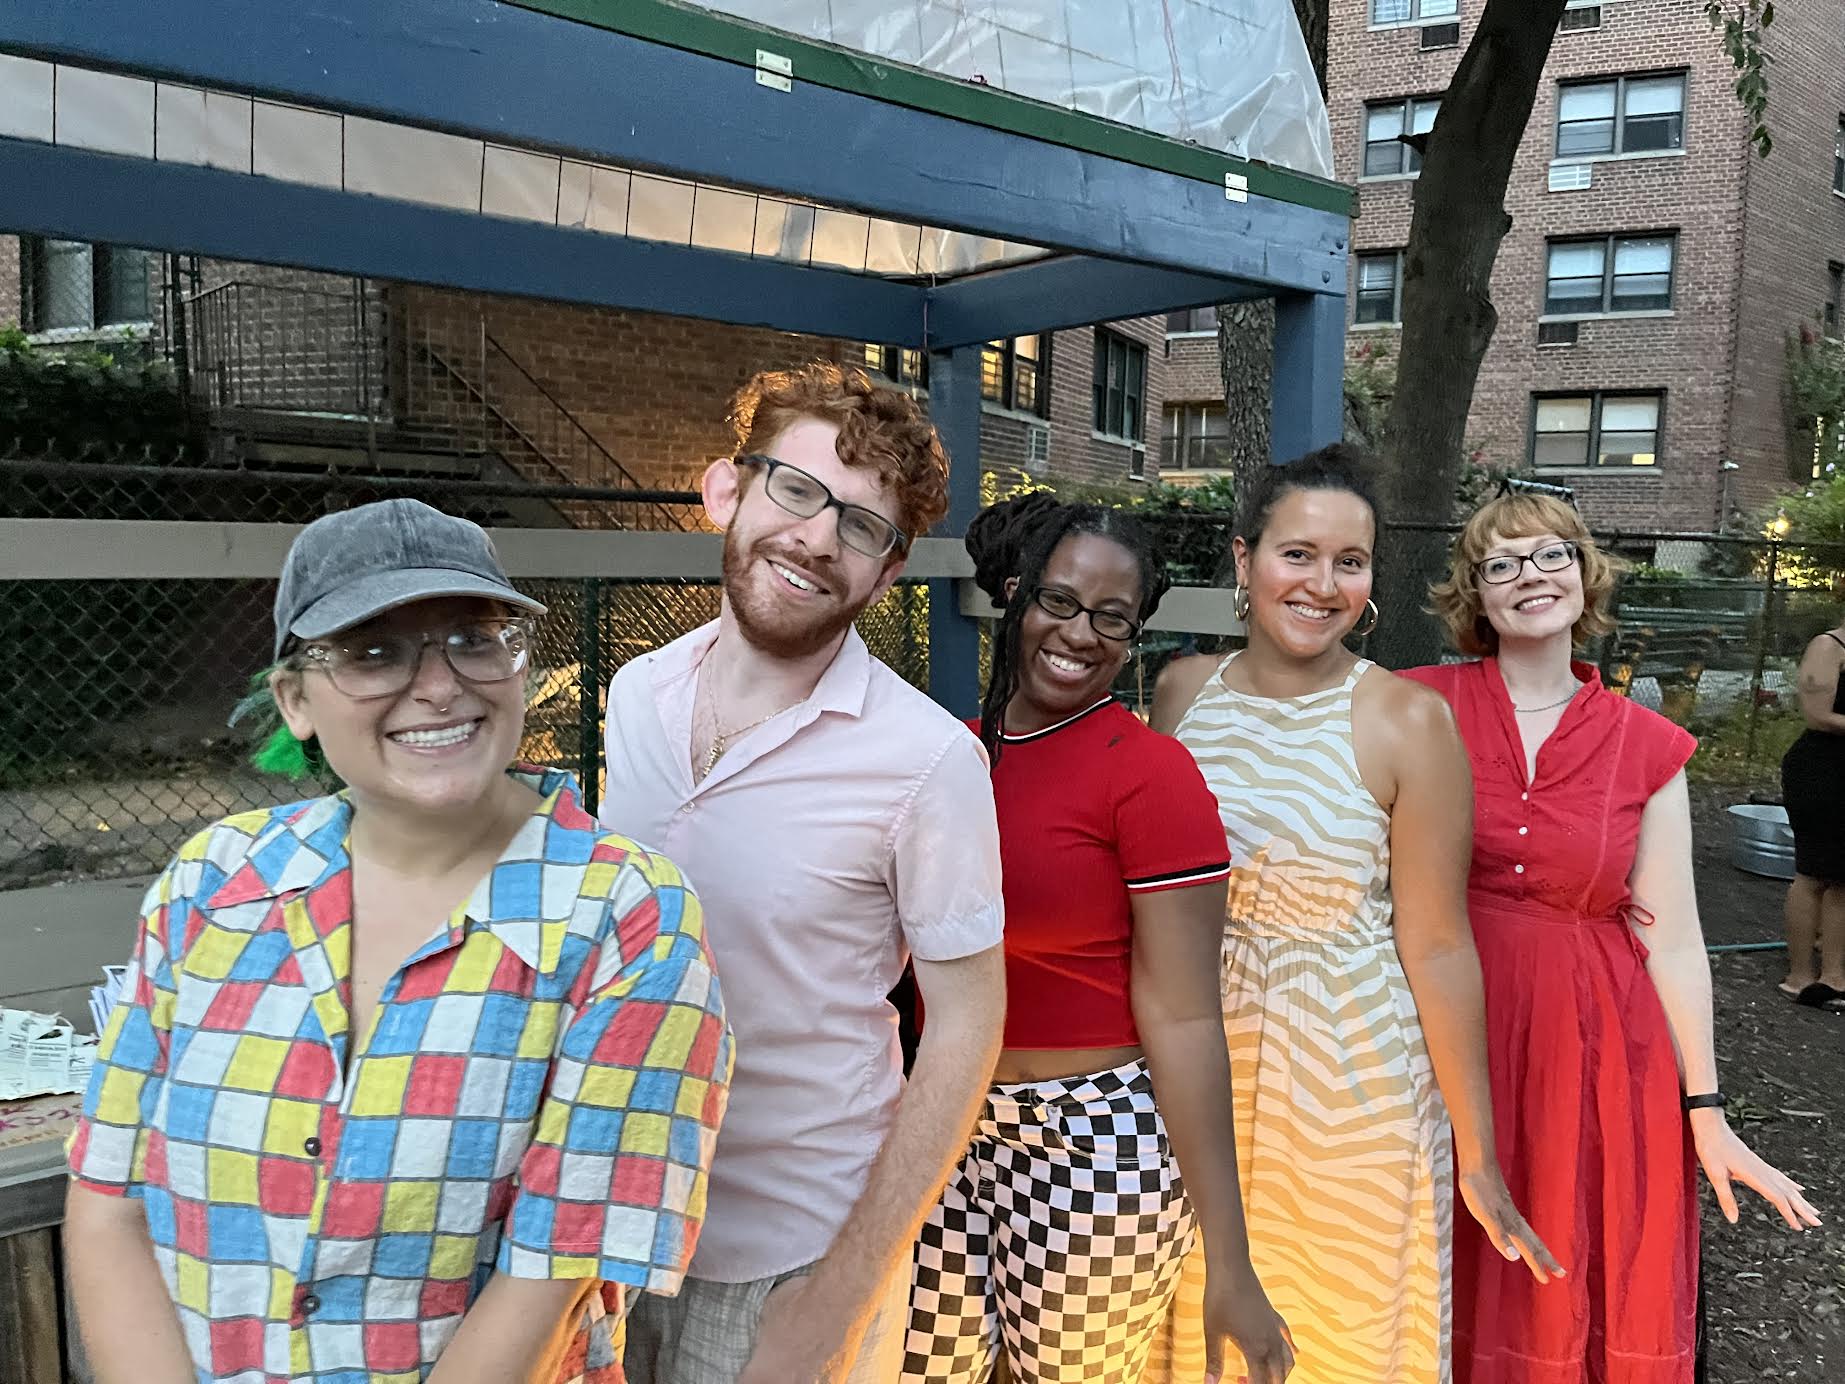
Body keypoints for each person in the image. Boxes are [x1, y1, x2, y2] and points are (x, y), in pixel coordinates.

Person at [63, 498, 732, 1384]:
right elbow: (109, 1195)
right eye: (374, 651)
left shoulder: (624, 918)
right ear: (295, 701)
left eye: (473, 636)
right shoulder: (213, 884)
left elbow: (554, 1270)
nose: (440, 684)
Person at [603, 361, 1006, 1384]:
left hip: (787, 1252)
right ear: (725, 491)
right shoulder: (634, 694)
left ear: (888, 569)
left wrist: (839, 1298)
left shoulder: (927, 761)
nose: (819, 538)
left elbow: (965, 1029)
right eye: (796, 490)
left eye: (861, 527)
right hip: (607, 1219)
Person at [1142, 445, 1557, 1384]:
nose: (1321, 585)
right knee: (1187, 1321)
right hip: (1197, 1047)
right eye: (1297, 554)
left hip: (1349, 1075)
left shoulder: (1406, 720)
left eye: (1349, 562)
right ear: (1243, 560)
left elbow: (1439, 943)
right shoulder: (1180, 694)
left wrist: (1478, 1155)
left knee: (1338, 1332)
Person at [1402, 488, 1821, 1383]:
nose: (1530, 576)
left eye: (1552, 554)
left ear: (1584, 576)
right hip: (1433, 1031)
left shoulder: (1646, 743)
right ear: (1474, 595)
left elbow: (1671, 940)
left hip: (1588, 1050)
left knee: (1561, 1265)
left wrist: (1704, 1110)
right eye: (1501, 563)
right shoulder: (1411, 705)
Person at [900, 495, 1293, 1384]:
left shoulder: (1149, 774)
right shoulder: (943, 757)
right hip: (940, 1122)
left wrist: (1229, 1261)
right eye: (1060, 601)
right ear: (1015, 595)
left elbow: (1186, 1017)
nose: (1080, 633)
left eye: (1111, 617)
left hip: (1091, 1141)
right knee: (913, 1366)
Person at [1778, 587, 1845, 1011]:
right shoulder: (1828, 646)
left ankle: (1835, 975)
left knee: (1843, 877)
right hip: (1822, 769)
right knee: (1813, 871)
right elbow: (1818, 715)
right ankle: (1799, 975)